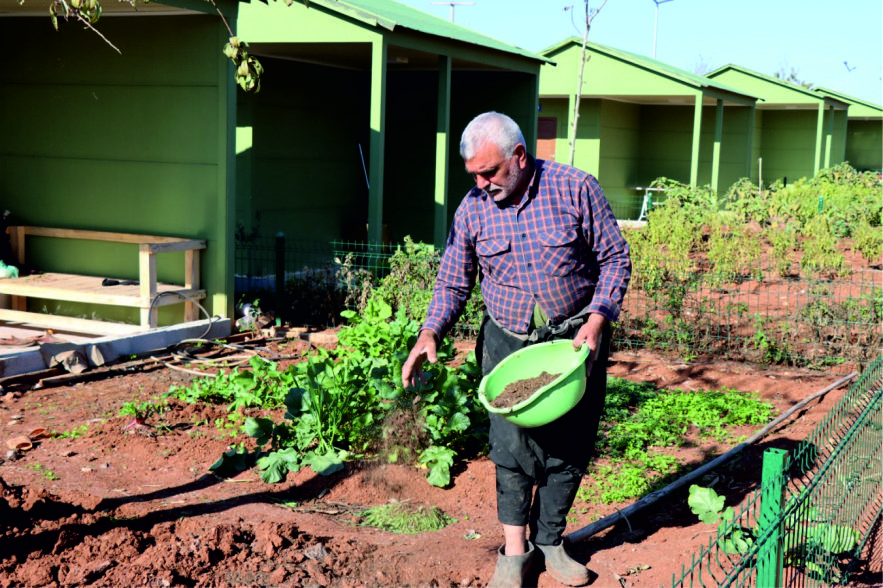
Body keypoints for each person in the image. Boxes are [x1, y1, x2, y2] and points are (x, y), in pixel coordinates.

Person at [401, 111, 631, 587]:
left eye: (489, 172)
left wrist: (597, 318)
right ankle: (514, 553)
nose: (482, 183)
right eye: (474, 175)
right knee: (510, 448)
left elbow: (615, 257)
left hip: (573, 343)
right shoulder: (472, 210)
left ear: (519, 157)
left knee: (570, 443)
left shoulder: (575, 189)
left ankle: (550, 541)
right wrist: (430, 333)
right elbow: (452, 281)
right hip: (507, 340)